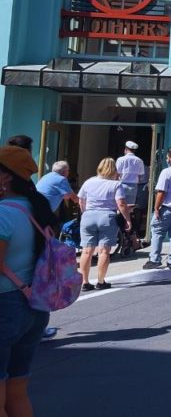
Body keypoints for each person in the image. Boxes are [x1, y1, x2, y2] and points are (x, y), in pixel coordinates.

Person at [0, 146, 59, 417]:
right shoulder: (37, 210)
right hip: (35, 305)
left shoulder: (3, 215)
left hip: (6, 305)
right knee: (18, 390)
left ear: (6, 177)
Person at [77, 157, 132, 290]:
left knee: (86, 251)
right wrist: (127, 219)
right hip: (107, 217)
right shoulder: (116, 184)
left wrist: (85, 212)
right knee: (103, 251)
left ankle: (84, 282)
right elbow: (121, 203)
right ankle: (101, 281)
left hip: (88, 216)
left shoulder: (88, 182)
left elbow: (81, 200)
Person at [115, 141, 146, 230]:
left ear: (125, 149)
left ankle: (119, 228)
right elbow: (140, 176)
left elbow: (117, 174)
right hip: (133, 186)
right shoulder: (139, 160)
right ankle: (128, 228)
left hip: (121, 185)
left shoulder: (120, 159)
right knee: (129, 209)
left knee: (119, 207)